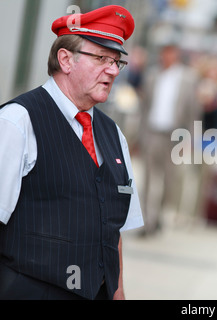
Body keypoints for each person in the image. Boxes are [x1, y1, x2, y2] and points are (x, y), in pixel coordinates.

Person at [0, 5, 143, 300]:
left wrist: (118, 293)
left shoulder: (113, 134)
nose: (113, 70)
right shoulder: (17, 122)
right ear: (65, 59)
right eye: (102, 58)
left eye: (117, 62)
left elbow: (112, 231)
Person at [139, 44, 200, 235]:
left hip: (174, 137)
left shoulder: (188, 80)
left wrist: (188, 140)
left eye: (170, 54)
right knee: (148, 178)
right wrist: (139, 135)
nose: (166, 57)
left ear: (176, 56)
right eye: (164, 54)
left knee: (170, 180)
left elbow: (193, 113)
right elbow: (144, 108)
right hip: (152, 133)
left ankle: (158, 217)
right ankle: (147, 220)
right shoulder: (151, 76)